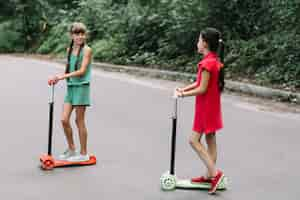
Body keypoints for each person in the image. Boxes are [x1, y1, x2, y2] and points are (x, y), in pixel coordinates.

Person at [174, 27, 225, 194]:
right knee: (210, 140)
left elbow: (201, 89)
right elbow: (198, 83)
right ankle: (209, 176)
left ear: (205, 43)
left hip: (205, 108)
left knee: (193, 140)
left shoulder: (206, 64)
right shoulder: (214, 61)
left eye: (198, 40)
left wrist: (182, 96)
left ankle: (214, 174)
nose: (196, 43)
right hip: (212, 106)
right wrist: (183, 89)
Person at [48, 22, 92, 162]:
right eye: (77, 34)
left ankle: (84, 153)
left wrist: (61, 77)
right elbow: (69, 69)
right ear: (71, 35)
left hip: (81, 87)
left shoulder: (87, 50)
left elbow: (82, 71)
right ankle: (72, 149)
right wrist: (58, 78)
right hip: (71, 87)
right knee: (64, 119)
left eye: (82, 34)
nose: (80, 37)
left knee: (79, 121)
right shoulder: (69, 50)